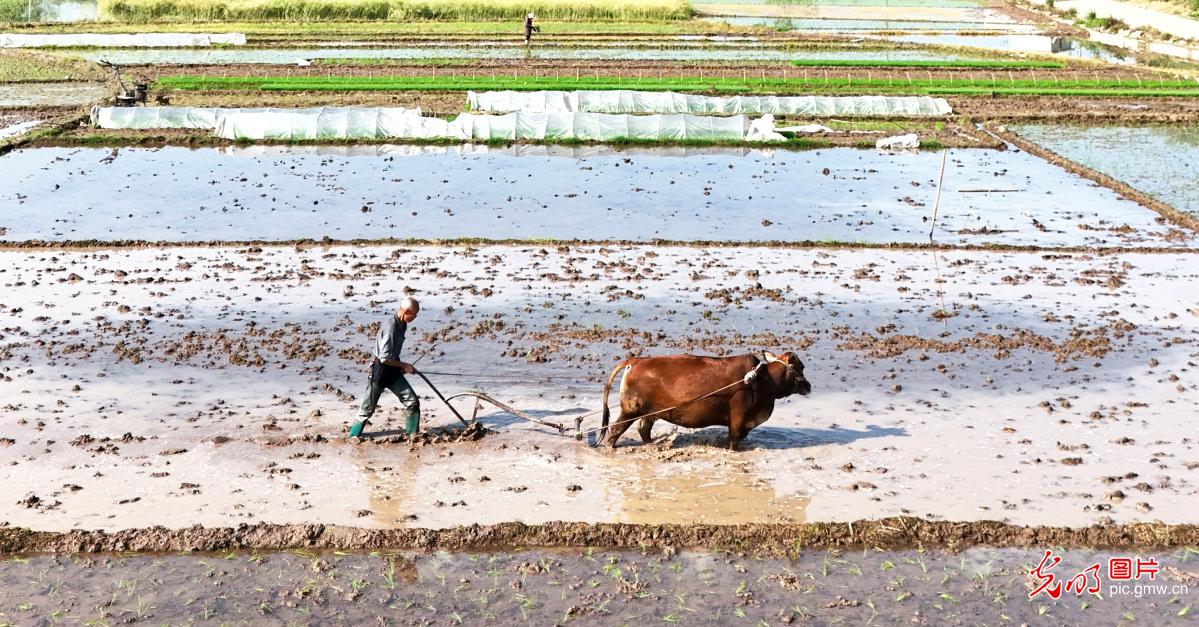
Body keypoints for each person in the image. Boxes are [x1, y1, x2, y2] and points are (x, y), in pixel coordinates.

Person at [348, 298, 421, 438]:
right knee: (367, 409)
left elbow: (392, 354)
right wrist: (405, 365)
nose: (415, 317)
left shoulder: (403, 324)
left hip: (392, 370)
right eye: (414, 314)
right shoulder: (391, 327)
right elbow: (384, 358)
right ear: (405, 312)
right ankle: (352, 437)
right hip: (381, 371)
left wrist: (401, 367)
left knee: (412, 401)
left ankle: (413, 436)